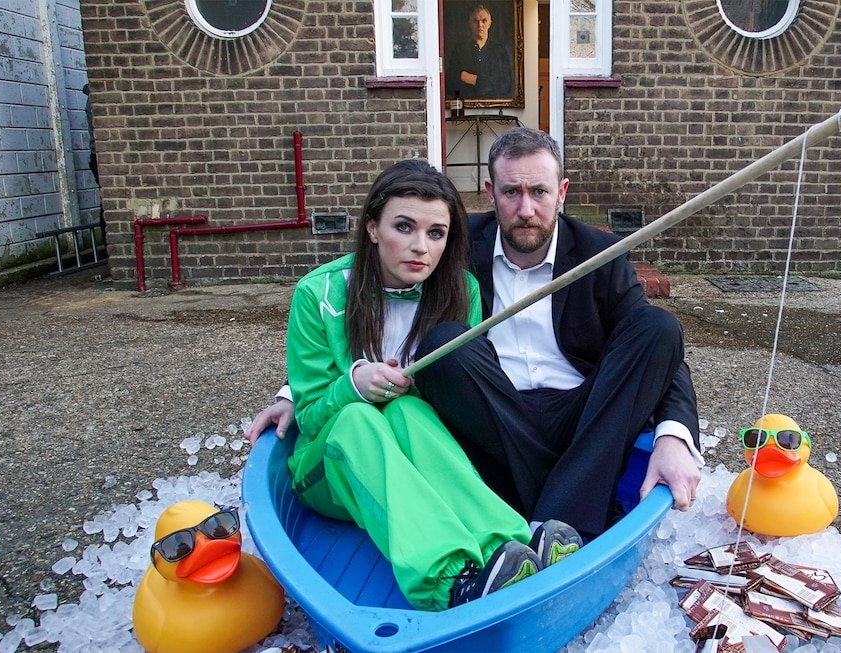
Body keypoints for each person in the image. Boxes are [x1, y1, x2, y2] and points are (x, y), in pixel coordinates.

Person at [249, 129, 702, 538]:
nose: (526, 209)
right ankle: (576, 504)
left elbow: (663, 356)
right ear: (490, 193)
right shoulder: (450, 246)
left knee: (658, 327)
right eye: (511, 192)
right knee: (446, 342)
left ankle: (559, 519)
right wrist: (294, 391)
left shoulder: (600, 254)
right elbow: (386, 301)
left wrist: (673, 435)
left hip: (581, 412)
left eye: (540, 192)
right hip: (490, 417)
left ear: (562, 192)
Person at [274, 159, 581, 612]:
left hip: (412, 457)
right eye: (404, 227)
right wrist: (353, 385)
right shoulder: (317, 295)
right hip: (331, 466)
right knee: (360, 417)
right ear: (373, 228)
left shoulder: (461, 291)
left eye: (436, 233)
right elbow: (311, 416)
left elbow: (455, 401)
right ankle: (449, 580)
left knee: (409, 410)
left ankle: (510, 547)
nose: (421, 247)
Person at [445, 4, 513, 99]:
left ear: (489, 23)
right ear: (469, 23)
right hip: (466, 107)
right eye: (475, 21)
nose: (480, 25)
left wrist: (474, 80)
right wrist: (488, 83)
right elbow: (450, 83)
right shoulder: (459, 50)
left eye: (484, 21)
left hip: (494, 107)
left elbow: (505, 85)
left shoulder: (499, 51)